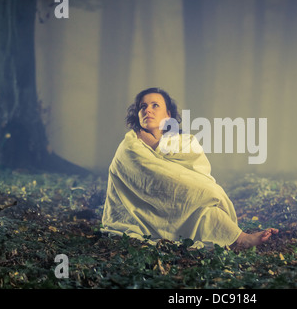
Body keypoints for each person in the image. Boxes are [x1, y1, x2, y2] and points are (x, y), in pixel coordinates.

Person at [101, 87, 278, 249]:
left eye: (155, 105)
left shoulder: (185, 142)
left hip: (186, 208)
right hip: (147, 215)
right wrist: (207, 192)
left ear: (168, 114)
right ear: (138, 114)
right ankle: (241, 238)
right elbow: (158, 180)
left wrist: (202, 191)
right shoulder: (130, 147)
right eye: (143, 106)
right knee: (206, 194)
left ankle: (240, 238)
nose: (147, 110)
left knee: (207, 211)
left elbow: (199, 174)